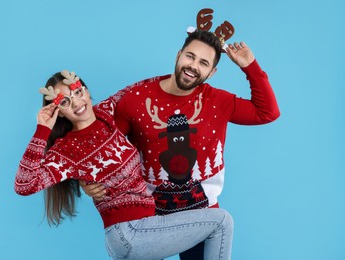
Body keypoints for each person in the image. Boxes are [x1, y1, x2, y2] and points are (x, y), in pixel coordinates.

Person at [82, 30, 280, 259]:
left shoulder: (218, 101)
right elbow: (102, 148)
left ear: (212, 72)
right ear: (178, 55)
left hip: (201, 213)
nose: (193, 65)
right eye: (190, 56)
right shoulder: (136, 99)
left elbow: (268, 112)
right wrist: (86, 181)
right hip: (148, 216)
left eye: (203, 62)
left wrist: (250, 66)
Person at [14, 70, 233, 260]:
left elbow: (143, 88)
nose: (77, 103)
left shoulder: (107, 111)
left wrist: (190, 74)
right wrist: (42, 129)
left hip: (146, 226)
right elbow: (24, 185)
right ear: (59, 111)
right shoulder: (67, 149)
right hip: (130, 232)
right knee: (222, 221)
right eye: (65, 102)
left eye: (78, 93)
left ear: (86, 91)